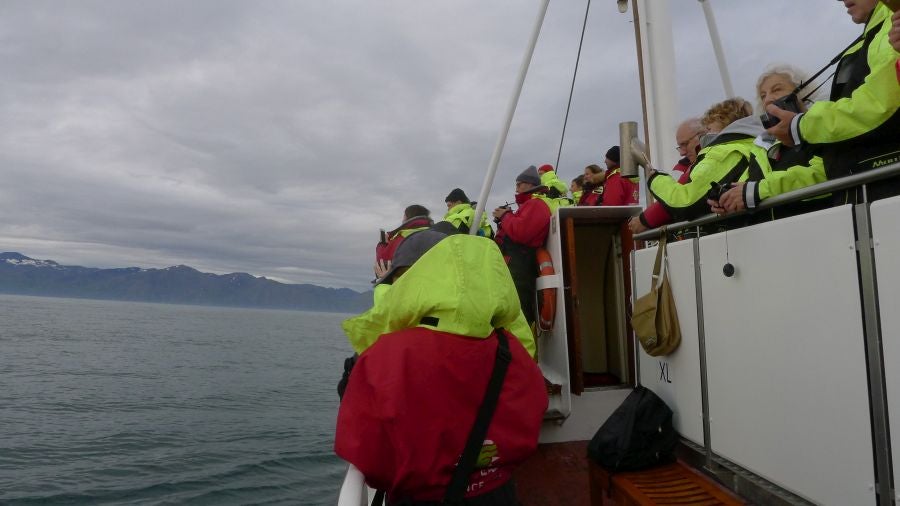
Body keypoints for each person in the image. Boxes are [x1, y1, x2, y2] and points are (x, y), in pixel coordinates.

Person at [336, 231, 546, 505]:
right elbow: (531, 411)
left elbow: (369, 454)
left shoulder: (387, 355)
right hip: (497, 493)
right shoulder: (509, 347)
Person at [765, 0, 900, 202]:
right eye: (762, 95)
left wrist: (800, 126)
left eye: (777, 89)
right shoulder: (869, 38)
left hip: (883, 194)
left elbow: (881, 104)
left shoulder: (887, 27)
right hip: (863, 197)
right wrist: (754, 192)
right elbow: (834, 159)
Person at [711, 65, 828, 217]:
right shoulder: (762, 143)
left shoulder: (822, 123)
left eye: (777, 89)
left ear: (803, 91)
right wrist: (728, 196)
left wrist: (759, 191)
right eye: (763, 96)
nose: (768, 99)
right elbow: (750, 183)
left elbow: (827, 171)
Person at [645, 98, 761, 224]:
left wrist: (655, 179)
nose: (705, 136)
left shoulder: (723, 153)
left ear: (724, 124)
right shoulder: (755, 147)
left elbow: (684, 203)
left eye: (709, 129)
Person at [493, 166, 559, 326]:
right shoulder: (529, 205)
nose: (516, 188)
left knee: (518, 317)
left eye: (519, 184)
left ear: (530, 184)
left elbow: (522, 232)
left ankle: (522, 348)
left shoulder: (536, 204)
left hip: (520, 270)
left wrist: (505, 216)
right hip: (515, 267)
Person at [628, 118, 706, 233]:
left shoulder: (707, 163)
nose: (682, 152)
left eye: (685, 144)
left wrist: (643, 220)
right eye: (680, 146)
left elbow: (679, 201)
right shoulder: (689, 166)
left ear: (703, 135)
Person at [375, 205, 432, 278]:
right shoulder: (435, 235)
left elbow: (382, 263)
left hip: (402, 282)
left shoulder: (402, 237)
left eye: (404, 216)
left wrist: (382, 244)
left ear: (407, 217)